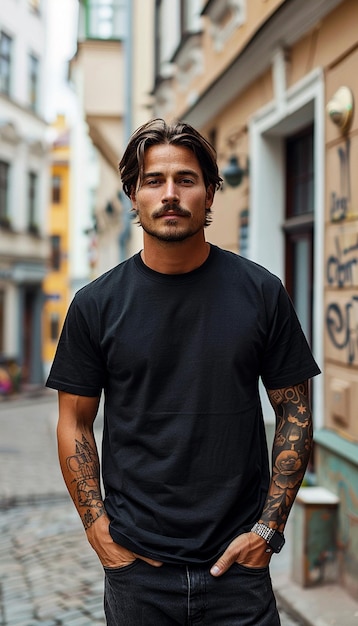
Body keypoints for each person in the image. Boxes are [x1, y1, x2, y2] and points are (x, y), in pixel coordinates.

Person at [46, 118, 320, 625]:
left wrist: (267, 530)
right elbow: (74, 422)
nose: (169, 194)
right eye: (154, 180)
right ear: (133, 193)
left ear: (211, 193)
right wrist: (97, 530)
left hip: (237, 570)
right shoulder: (95, 305)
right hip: (138, 571)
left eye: (186, 180)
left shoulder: (262, 293)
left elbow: (296, 413)